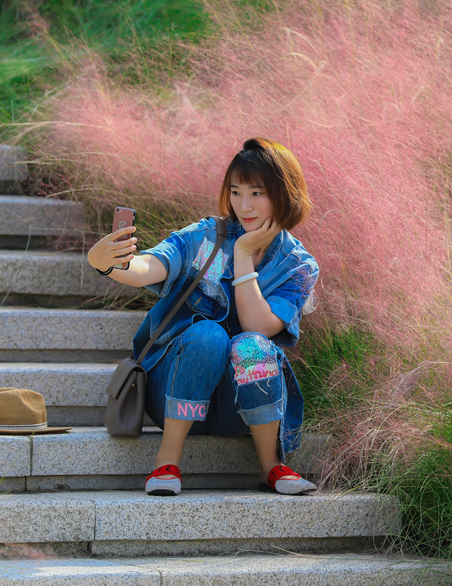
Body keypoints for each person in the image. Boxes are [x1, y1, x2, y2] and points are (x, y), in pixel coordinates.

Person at [87, 137, 319, 496]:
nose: (244, 205)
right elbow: (150, 265)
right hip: (170, 388)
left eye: (257, 193)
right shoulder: (206, 236)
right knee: (208, 335)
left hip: (238, 407)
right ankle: (167, 461)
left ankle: (271, 466)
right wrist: (107, 264)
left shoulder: (297, 265)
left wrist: (243, 254)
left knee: (252, 345)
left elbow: (260, 327)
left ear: (283, 192)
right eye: (236, 191)